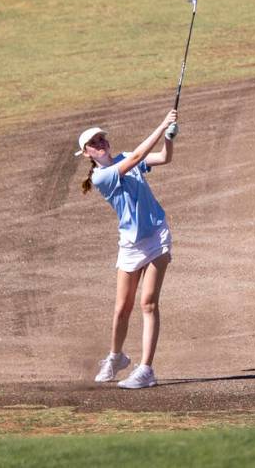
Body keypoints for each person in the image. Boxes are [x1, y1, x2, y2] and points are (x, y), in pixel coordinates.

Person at [75, 109, 178, 389]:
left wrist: (169, 138)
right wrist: (162, 123)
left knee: (148, 302)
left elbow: (164, 158)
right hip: (130, 244)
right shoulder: (101, 177)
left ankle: (145, 370)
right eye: (93, 143)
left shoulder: (123, 158)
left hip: (156, 235)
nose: (100, 143)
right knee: (122, 308)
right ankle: (116, 357)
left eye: (101, 139)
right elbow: (137, 158)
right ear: (86, 154)